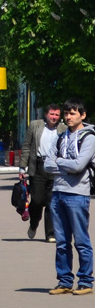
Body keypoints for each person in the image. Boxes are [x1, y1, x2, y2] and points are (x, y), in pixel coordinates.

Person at [43, 99, 94, 295]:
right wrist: (66, 165)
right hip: (58, 193)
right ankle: (64, 281)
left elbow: (79, 166)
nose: (68, 117)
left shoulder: (89, 138)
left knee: (81, 240)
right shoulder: (60, 137)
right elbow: (47, 164)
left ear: (83, 115)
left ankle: (86, 281)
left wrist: (60, 162)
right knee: (62, 241)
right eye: (66, 113)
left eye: (73, 113)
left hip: (77, 194)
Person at [20, 103, 63, 242]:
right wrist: (22, 168)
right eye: (52, 114)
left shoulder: (64, 128)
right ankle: (34, 224)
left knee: (52, 202)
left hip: (56, 168)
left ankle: (51, 234)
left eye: (57, 114)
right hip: (38, 166)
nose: (54, 117)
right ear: (46, 114)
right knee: (37, 201)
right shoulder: (35, 125)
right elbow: (26, 146)